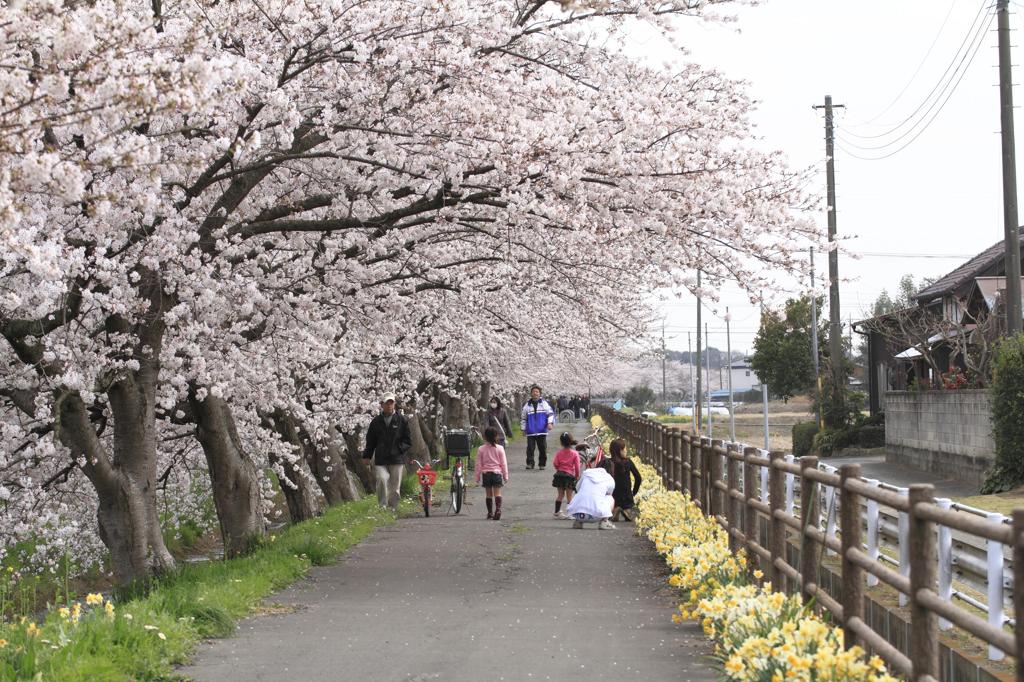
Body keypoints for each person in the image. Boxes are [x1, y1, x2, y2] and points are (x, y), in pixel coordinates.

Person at [361, 393, 413, 511]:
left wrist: (399, 449)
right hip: (381, 458)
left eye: (391, 403)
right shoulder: (376, 421)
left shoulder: (402, 420)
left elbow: (408, 440)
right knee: (382, 479)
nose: (389, 405)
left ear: (394, 404)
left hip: (396, 458)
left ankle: (392, 507)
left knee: (394, 487)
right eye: (387, 403)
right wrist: (367, 456)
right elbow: (371, 441)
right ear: (382, 405)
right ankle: (382, 506)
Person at [565, 458, 616, 530]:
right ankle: (604, 522)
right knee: (610, 497)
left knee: (581, 493)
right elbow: (609, 493)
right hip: (596, 516)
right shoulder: (609, 478)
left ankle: (578, 522)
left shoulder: (586, 473)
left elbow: (577, 488)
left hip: (577, 514)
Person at [476, 426, 509, 520]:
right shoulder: (500, 448)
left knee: (488, 495)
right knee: (497, 493)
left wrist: (477, 477)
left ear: (485, 437)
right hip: (497, 473)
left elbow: (478, 464)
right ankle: (498, 510)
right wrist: (505, 476)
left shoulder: (481, 449)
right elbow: (503, 463)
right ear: (496, 436)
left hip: (486, 473)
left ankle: (490, 512)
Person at [520, 385, 554, 469]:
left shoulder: (544, 404)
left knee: (542, 448)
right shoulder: (527, 405)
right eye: (533, 392)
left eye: (537, 392)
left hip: (541, 430)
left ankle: (542, 464)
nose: (535, 393)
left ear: (539, 394)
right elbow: (523, 418)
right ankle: (530, 463)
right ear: (531, 393)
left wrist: (550, 423)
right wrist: (523, 429)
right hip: (530, 431)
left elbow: (550, 414)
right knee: (530, 448)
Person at [608, 439, 642, 522]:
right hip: (627, 497)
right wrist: (633, 492)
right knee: (628, 505)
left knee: (613, 500)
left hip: (613, 496)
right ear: (620, 450)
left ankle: (615, 508)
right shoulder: (628, 462)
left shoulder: (608, 462)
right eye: (625, 449)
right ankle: (626, 510)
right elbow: (638, 478)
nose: (626, 451)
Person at [551, 432, 581, 519]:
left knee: (560, 495)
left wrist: (559, 469)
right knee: (569, 496)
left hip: (559, 475)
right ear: (571, 441)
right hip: (569, 476)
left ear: (561, 442)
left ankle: (557, 512)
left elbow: (555, 463)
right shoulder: (575, 453)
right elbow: (577, 466)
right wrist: (577, 476)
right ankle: (570, 513)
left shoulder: (559, 453)